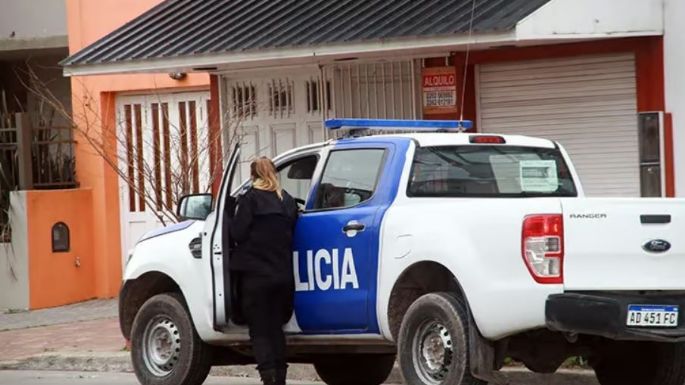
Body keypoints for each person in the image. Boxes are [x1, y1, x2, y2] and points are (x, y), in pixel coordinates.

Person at [229, 157, 299, 385]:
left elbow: (237, 234)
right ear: (274, 174)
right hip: (282, 276)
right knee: (276, 330)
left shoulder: (250, 199)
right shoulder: (286, 200)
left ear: (253, 176)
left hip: (256, 277)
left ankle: (268, 377)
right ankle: (280, 379)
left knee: (260, 331)